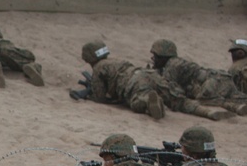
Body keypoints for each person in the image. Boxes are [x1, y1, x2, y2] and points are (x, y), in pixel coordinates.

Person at [78, 40, 234, 121]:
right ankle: (208, 112)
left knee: (138, 99)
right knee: (178, 100)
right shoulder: (117, 60)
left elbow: (99, 98)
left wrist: (90, 95)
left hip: (133, 82)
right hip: (149, 74)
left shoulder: (98, 68)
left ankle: (150, 102)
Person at [148, 39, 247, 116]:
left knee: (203, 100)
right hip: (221, 78)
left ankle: (234, 107)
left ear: (163, 56)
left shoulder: (172, 66)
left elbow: (172, 91)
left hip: (211, 84)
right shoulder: (176, 63)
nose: (153, 59)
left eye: (155, 56)